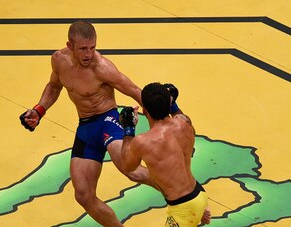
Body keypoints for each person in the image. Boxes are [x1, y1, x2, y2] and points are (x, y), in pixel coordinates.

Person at [19, 20, 155, 226]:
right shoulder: (58, 60)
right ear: (69, 46)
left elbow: (134, 89)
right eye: (83, 49)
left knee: (132, 171)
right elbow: (54, 87)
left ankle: (181, 192)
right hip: (86, 128)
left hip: (108, 119)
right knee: (83, 195)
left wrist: (156, 117)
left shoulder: (102, 68)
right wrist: (39, 110)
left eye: (92, 48)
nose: (88, 54)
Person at [119, 82, 211, 227]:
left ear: (144, 110)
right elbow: (179, 116)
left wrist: (128, 128)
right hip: (198, 194)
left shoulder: (143, 142)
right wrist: (173, 105)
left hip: (184, 208)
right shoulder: (184, 122)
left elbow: (127, 166)